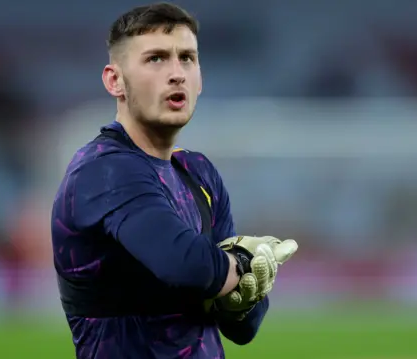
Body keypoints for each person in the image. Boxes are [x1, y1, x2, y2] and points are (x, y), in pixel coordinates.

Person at [50, 3, 298, 359]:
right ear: (114, 80)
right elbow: (185, 264)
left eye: (187, 58)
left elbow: (244, 327)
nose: (177, 73)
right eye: (156, 59)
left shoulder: (198, 172)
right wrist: (243, 261)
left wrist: (243, 295)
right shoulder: (102, 169)